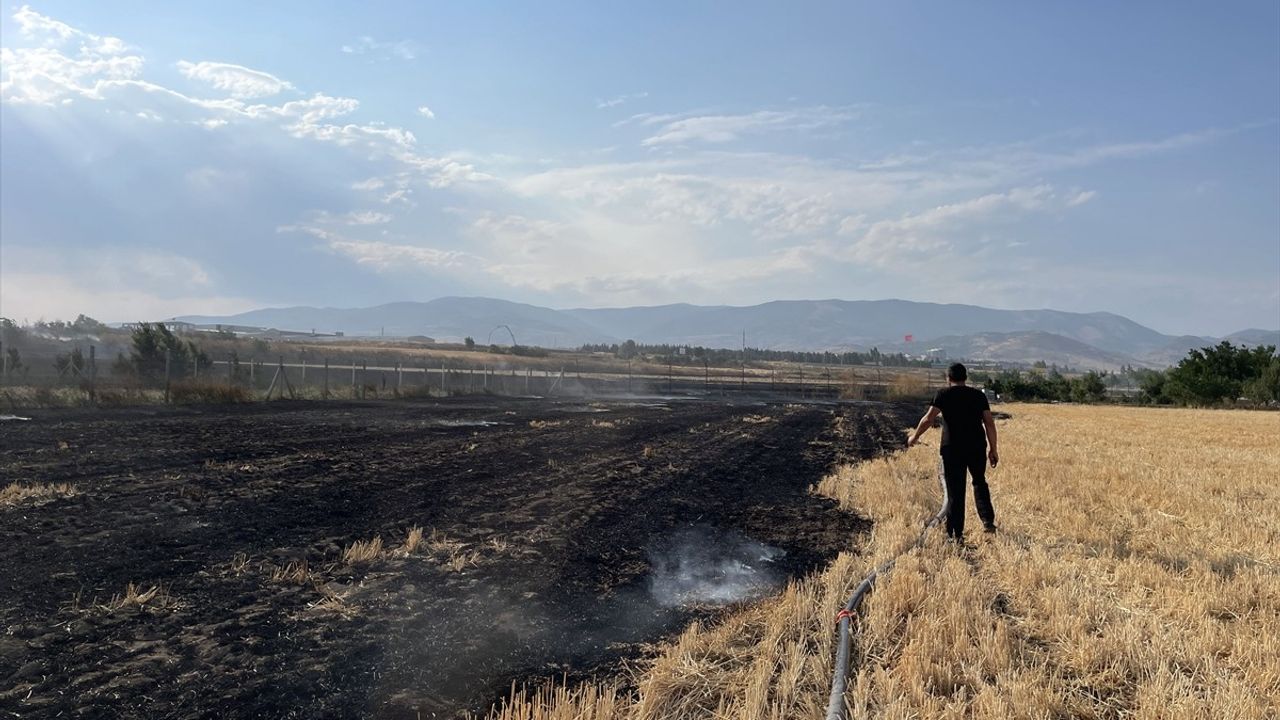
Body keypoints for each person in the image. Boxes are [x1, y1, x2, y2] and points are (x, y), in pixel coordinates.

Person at [907, 363, 999, 539]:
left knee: (955, 490)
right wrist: (993, 448)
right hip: (977, 447)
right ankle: (988, 521)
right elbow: (989, 422)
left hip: (952, 448)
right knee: (979, 481)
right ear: (965, 377)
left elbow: (928, 419)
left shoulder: (943, 394)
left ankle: (955, 533)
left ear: (948, 379)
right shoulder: (978, 396)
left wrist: (915, 436)